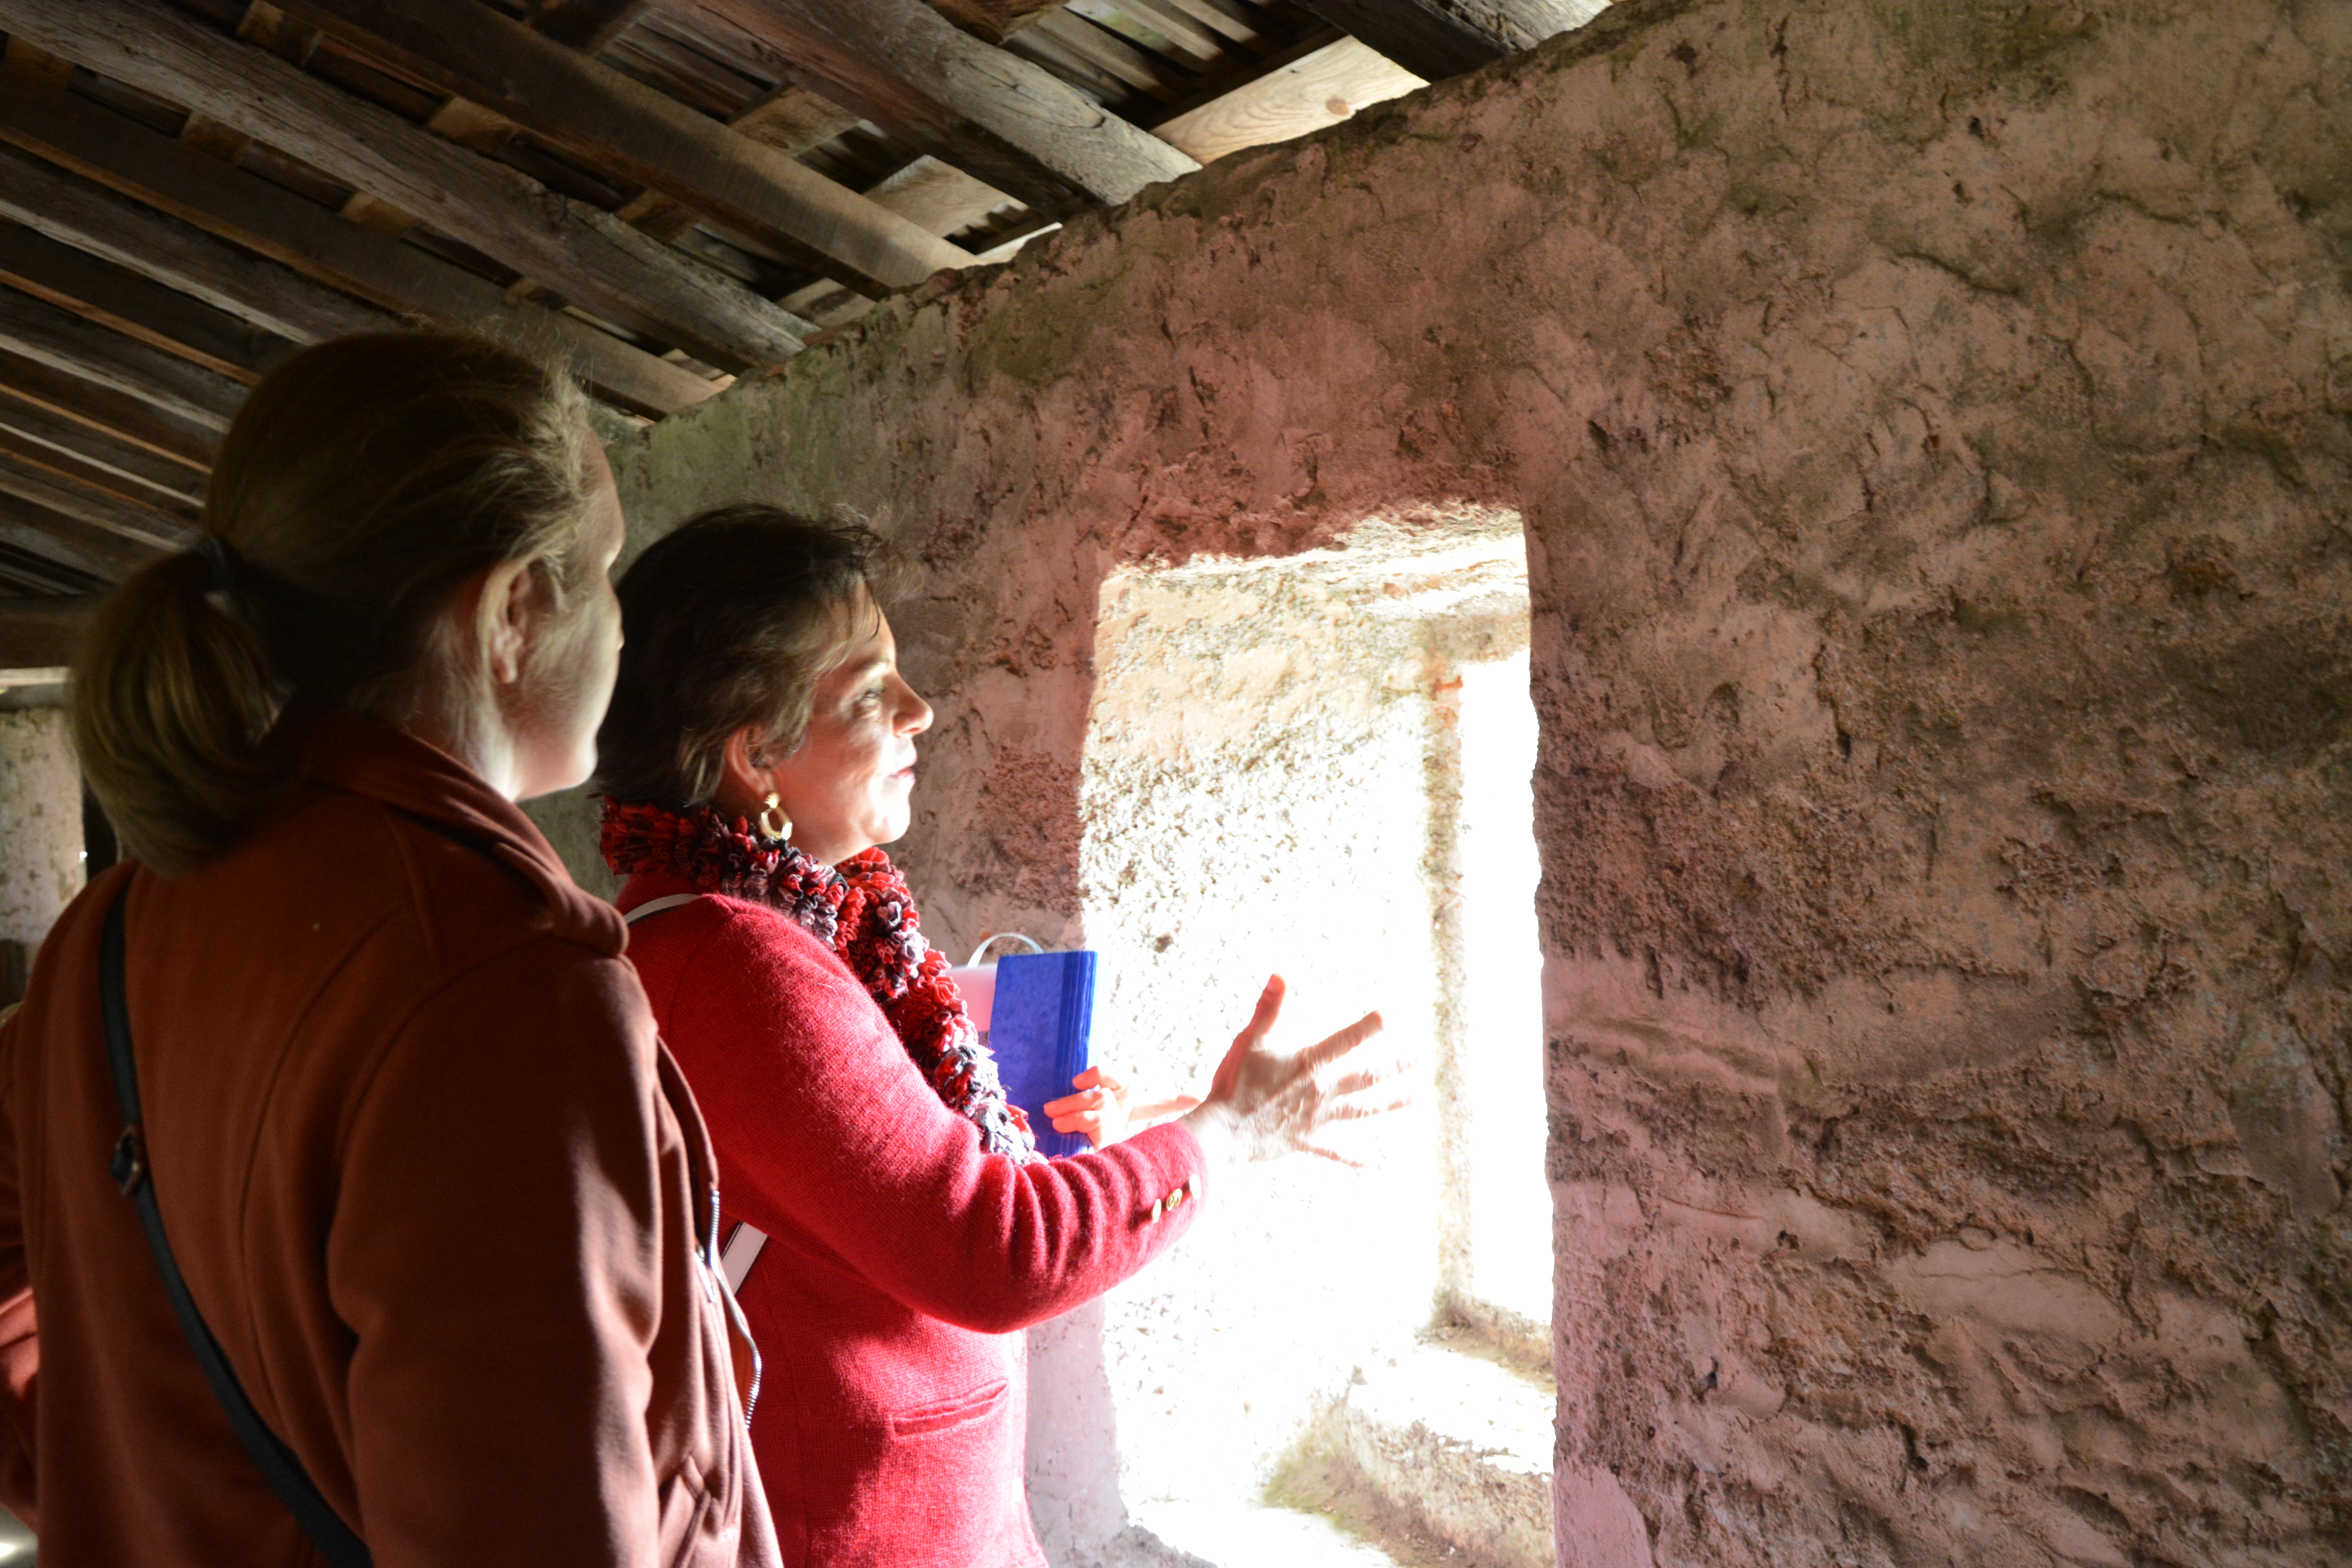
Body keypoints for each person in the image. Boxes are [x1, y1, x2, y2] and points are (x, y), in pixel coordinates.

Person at [0, 334, 777, 1566]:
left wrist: (133, 1479)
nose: (621, 626)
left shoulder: (112, 928)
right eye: (607, 571)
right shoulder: (494, 983)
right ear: (513, 608)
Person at [594, 506, 1403, 1568]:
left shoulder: (792, 924)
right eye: (870, 694)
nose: (921, 712)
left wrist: (1131, 1127)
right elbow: (994, 1246)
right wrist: (1228, 1134)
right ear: (756, 753)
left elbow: (882, 1180)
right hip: (847, 1528)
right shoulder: (736, 964)